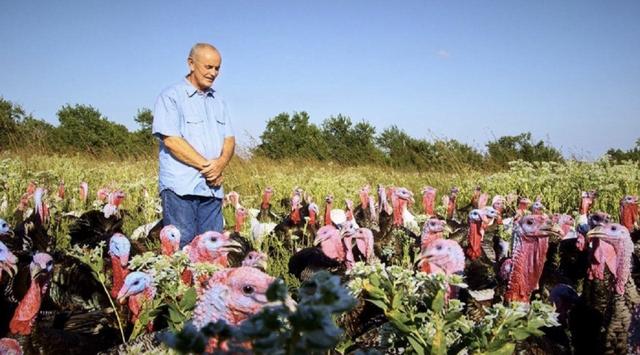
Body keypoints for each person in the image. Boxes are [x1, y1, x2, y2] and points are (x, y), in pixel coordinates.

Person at [152, 43, 235, 248]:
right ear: (191, 64)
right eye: (208, 67)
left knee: (213, 250)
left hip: (212, 189)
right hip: (181, 188)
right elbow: (172, 140)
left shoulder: (219, 101)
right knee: (183, 247)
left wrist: (221, 164)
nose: (213, 73)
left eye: (217, 68)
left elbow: (230, 139)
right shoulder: (171, 97)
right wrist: (208, 167)